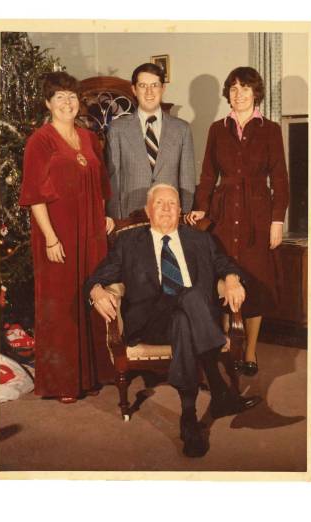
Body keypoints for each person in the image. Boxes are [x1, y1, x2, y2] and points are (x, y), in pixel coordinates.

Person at [85, 184, 260, 458]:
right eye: (159, 203)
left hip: (191, 321)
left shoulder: (200, 240)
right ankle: (219, 387)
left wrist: (233, 278)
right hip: (151, 322)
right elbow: (97, 276)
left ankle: (188, 419)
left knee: (184, 316)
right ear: (148, 211)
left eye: (172, 204)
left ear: (180, 211)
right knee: (188, 300)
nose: (166, 208)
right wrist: (96, 292)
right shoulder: (129, 243)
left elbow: (225, 264)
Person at [19, 71, 115, 403]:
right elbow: (33, 197)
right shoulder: (40, 141)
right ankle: (64, 382)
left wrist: (103, 213)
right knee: (62, 304)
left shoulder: (89, 138)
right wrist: (49, 238)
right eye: (59, 97)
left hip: (90, 231)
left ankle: (95, 374)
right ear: (48, 103)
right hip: (57, 232)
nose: (67, 102)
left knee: (93, 292)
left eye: (72, 96)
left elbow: (101, 183)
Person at [187, 67, 289, 377]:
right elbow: (207, 175)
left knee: (254, 283)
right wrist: (202, 208)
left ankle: (250, 351)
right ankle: (225, 344)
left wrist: (277, 221)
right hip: (223, 213)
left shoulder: (269, 129)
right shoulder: (218, 129)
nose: (238, 93)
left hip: (257, 216)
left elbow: (280, 179)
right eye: (232, 88)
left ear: (255, 93)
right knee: (221, 280)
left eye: (244, 88)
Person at [105, 63, 196, 219]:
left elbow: (187, 179)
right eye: (143, 86)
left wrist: (183, 216)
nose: (149, 92)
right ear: (134, 89)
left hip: (170, 217)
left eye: (154, 85)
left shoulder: (182, 129)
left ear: (162, 88)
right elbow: (114, 180)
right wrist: (117, 220)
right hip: (130, 216)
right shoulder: (117, 129)